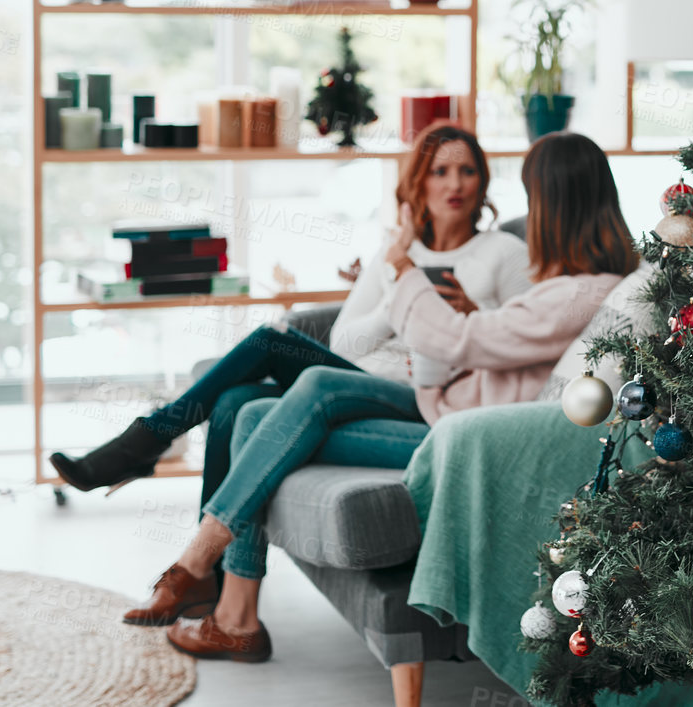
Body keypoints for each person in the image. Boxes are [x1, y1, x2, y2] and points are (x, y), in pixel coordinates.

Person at [137, 131, 637, 663]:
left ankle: (203, 567)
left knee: (311, 385)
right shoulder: (566, 286)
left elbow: (461, 340)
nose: (530, 217)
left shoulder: (576, 292)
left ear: (556, 206)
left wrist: (404, 273)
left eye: (534, 201)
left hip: (463, 433)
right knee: (255, 410)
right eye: (438, 172)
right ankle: (235, 612)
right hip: (443, 405)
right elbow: (476, 339)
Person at [54, 124, 528, 604]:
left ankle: (147, 440)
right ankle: (211, 583)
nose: (455, 185)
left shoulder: (503, 253)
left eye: (467, 171)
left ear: (483, 181)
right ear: (418, 182)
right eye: (441, 171)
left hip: (426, 397)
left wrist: (467, 313)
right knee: (236, 401)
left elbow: (518, 347)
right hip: (362, 384)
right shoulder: (396, 252)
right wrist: (404, 296)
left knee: (273, 341)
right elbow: (346, 340)